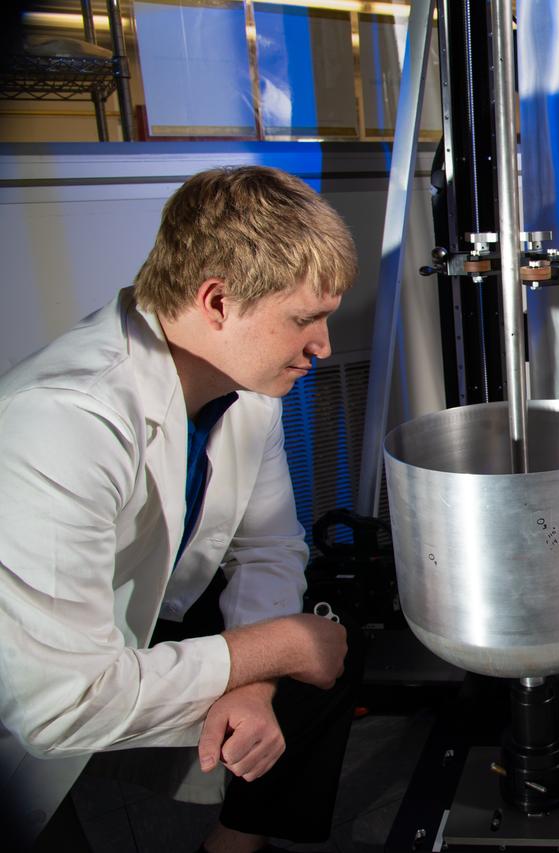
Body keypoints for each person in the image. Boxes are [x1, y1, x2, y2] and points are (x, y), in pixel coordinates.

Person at [0, 166, 359, 853]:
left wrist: (254, 683)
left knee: (333, 640)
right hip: (35, 689)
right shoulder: (63, 420)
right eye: (304, 319)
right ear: (217, 301)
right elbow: (59, 703)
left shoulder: (243, 387)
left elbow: (268, 547)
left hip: (133, 619)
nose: (323, 346)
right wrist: (272, 647)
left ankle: (232, 845)